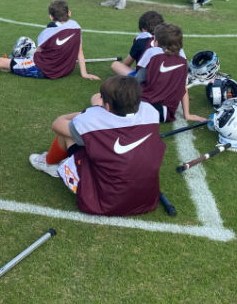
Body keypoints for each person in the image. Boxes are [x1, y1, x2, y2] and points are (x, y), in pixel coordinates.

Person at [29, 75, 167, 216]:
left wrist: (87, 111)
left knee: (67, 134)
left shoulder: (91, 120)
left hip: (103, 202)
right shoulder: (151, 112)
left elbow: (57, 124)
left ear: (107, 106)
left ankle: (49, 163)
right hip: (146, 199)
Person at [0, 0, 100, 81]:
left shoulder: (47, 33)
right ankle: (14, 63)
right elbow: (80, 52)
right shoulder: (77, 27)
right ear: (69, 13)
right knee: (25, 46)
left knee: (1, 61)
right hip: (64, 70)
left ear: (51, 17)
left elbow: (38, 53)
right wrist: (84, 73)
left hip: (44, 69)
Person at [135, 23, 206, 123]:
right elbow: (183, 88)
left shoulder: (151, 53)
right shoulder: (183, 61)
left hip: (144, 105)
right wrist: (187, 114)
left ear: (157, 41)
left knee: (118, 91)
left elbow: (138, 80)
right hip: (165, 113)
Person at [111, 10, 164, 76]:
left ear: (143, 29)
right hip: (167, 77)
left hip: (146, 79)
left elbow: (126, 64)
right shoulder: (169, 39)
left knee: (115, 65)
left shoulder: (141, 40)